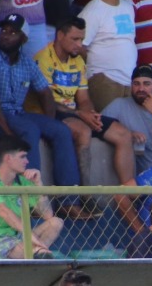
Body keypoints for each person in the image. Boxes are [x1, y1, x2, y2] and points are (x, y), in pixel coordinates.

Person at [0, 13, 80, 190]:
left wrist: (48, 125)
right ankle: (30, 197)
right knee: (29, 129)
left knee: (60, 130)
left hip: (16, 115)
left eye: (13, 32)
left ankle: (69, 201)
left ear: (24, 38)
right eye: (4, 30)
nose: (5, 35)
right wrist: (7, 131)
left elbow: (45, 93)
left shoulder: (26, 62)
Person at [30, 16, 138, 185]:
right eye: (75, 39)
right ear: (59, 35)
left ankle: (129, 192)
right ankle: (84, 193)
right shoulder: (43, 58)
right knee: (83, 131)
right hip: (49, 112)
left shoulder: (78, 60)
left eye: (81, 39)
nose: (80, 45)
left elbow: (84, 98)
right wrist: (81, 114)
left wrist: (91, 114)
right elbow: (47, 101)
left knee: (123, 133)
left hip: (75, 112)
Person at [79, 0, 137, 111]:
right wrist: (97, 71)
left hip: (129, 81)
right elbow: (79, 47)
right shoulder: (92, 11)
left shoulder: (128, 5)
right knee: (109, 128)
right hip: (105, 81)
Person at [102, 64, 152, 174]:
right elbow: (97, 126)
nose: (141, 89)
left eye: (146, 84)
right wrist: (128, 134)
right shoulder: (119, 105)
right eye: (136, 84)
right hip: (132, 177)